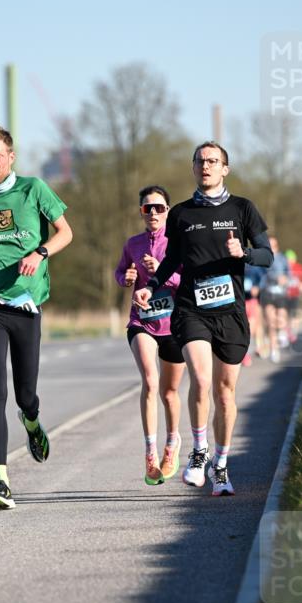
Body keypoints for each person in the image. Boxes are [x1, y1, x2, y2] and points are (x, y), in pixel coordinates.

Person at [134, 141, 273, 497]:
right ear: (193, 167)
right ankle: (199, 452)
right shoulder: (181, 214)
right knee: (200, 377)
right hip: (191, 308)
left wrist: (244, 252)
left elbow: (267, 256)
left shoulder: (243, 208)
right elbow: (172, 260)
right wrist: (151, 286)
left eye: (213, 161)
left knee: (225, 393)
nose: (206, 166)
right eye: (200, 161)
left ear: (225, 168)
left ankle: (220, 465)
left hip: (230, 312)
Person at [0, 126, 73, 510]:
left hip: (25, 304)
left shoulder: (33, 189)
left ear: (11, 157)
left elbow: (65, 233)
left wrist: (40, 253)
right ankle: (1, 481)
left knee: (25, 396)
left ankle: (32, 421)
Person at [115, 186, 186, 485]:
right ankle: (150, 453)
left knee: (169, 392)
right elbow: (120, 272)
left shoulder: (179, 242)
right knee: (150, 381)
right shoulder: (133, 244)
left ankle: (172, 443)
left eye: (159, 207)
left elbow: (188, 281)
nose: (153, 213)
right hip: (141, 321)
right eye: (147, 208)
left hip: (174, 324)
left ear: (168, 210)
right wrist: (126, 278)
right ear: (141, 212)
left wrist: (161, 271)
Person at [259, 235, 290, 363]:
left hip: (280, 293)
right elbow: (262, 274)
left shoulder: (283, 258)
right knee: (271, 322)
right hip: (267, 292)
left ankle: (282, 332)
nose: (271, 247)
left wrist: (286, 279)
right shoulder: (263, 258)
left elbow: (288, 273)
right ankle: (274, 349)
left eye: (273, 244)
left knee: (281, 316)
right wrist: (275, 278)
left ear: (276, 245)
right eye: (269, 244)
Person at [242, 264, 267, 366]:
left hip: (253, 301)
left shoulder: (256, 266)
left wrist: (257, 287)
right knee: (246, 327)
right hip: (239, 301)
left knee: (254, 326)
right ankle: (247, 351)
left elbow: (264, 278)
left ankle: (255, 348)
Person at [284, 248, 302, 344]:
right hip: (284, 295)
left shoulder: (298, 267)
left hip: (295, 295)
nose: (289, 262)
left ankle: (293, 333)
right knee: (285, 314)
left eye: (291, 259)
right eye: (288, 260)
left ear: (294, 259)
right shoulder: (283, 268)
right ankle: (287, 333)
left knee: (293, 315)